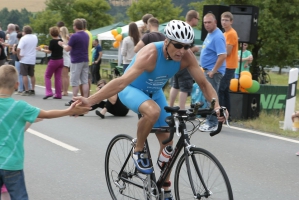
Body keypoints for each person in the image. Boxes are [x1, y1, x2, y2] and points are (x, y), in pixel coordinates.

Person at [74, 20, 227, 199]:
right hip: (131, 89)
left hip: (154, 92)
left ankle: (165, 189)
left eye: (187, 46)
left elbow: (203, 83)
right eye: (178, 45)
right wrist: (90, 101)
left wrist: (216, 106)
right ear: (167, 41)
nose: (182, 51)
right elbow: (121, 82)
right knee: (152, 111)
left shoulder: (186, 56)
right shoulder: (150, 53)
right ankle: (138, 150)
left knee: (168, 145)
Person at [0, 65, 90, 200]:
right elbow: (47, 114)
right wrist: (70, 111)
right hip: (12, 164)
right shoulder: (20, 107)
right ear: (17, 84)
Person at [198, 13, 227, 132]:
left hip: (213, 72)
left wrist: (213, 71)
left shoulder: (217, 36)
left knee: (212, 97)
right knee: (208, 97)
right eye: (205, 22)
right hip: (207, 70)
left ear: (215, 22)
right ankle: (211, 121)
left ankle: (212, 122)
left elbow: (222, 55)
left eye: (209, 22)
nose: (206, 25)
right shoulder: (210, 34)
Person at [169, 10, 200, 109]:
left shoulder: (180, 28)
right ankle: (182, 109)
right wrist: (193, 49)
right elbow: (183, 49)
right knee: (185, 87)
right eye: (198, 19)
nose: (198, 22)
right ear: (193, 19)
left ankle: (170, 106)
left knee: (175, 85)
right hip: (185, 63)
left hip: (175, 63)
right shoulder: (189, 31)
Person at [58, 19, 89, 106]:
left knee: (75, 80)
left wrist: (62, 44)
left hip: (76, 60)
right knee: (84, 80)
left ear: (75, 26)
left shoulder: (75, 36)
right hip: (85, 59)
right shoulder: (86, 35)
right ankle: (85, 99)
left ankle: (74, 99)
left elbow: (68, 48)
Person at [218, 11, 238, 116]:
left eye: (226, 20)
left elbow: (228, 51)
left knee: (221, 89)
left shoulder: (231, 33)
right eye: (222, 20)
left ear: (231, 22)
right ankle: (226, 114)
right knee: (224, 90)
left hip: (229, 65)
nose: (224, 22)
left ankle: (221, 114)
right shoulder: (224, 33)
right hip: (225, 65)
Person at [36, 26, 63, 99]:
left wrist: (41, 49)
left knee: (47, 76)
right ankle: (58, 94)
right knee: (58, 78)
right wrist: (47, 47)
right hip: (60, 60)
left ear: (51, 33)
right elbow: (54, 48)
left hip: (54, 60)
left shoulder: (52, 41)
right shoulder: (61, 40)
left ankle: (49, 92)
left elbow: (50, 51)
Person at [17, 25, 38, 96]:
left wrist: (18, 55)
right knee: (32, 74)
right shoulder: (35, 37)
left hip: (24, 58)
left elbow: (18, 48)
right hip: (32, 58)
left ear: (24, 31)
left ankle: (26, 90)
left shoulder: (23, 38)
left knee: (24, 75)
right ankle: (33, 89)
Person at [60, 26, 70, 96]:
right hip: (68, 58)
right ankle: (65, 90)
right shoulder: (68, 40)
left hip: (64, 58)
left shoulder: (62, 40)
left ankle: (64, 90)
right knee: (66, 76)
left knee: (64, 76)